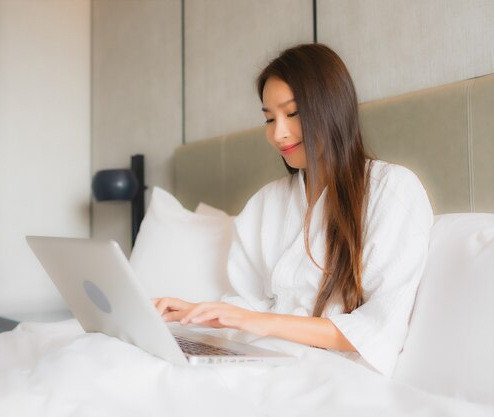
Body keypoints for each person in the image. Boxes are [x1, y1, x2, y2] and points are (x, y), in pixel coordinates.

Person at [154, 43, 433, 376]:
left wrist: (259, 322)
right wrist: (200, 312)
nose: (278, 133)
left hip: (335, 373)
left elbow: (375, 330)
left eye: (292, 113)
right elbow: (250, 305)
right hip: (266, 358)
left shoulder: (392, 190)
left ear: (331, 107)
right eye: (269, 118)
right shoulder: (265, 203)